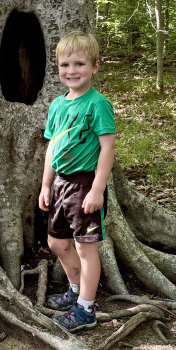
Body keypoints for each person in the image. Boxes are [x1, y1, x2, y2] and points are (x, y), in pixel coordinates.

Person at [38, 30, 116, 332]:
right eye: (65, 65)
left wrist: (97, 189)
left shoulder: (98, 104)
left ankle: (86, 309)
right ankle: (75, 289)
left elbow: (107, 148)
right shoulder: (57, 105)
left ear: (95, 67)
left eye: (80, 64)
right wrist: (46, 185)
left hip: (85, 186)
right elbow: (52, 147)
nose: (72, 71)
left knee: (86, 248)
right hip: (61, 184)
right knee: (56, 242)